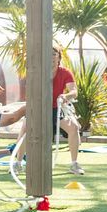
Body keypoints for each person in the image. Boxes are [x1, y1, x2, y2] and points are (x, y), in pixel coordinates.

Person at [44, 46, 84, 175]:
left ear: (59, 57)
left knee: (73, 127)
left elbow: (74, 91)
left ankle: (74, 164)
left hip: (58, 107)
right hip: (40, 108)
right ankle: (18, 163)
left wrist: (65, 96)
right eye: (48, 54)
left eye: (54, 54)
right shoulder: (38, 71)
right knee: (26, 129)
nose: (51, 57)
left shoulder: (65, 72)